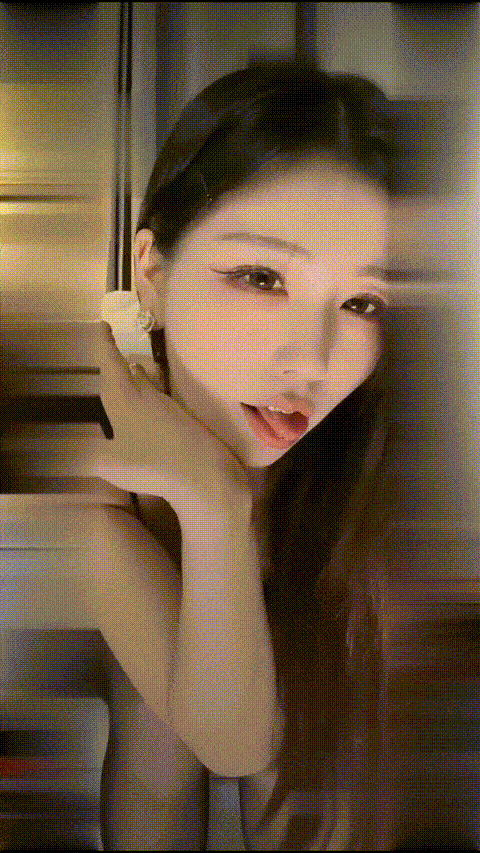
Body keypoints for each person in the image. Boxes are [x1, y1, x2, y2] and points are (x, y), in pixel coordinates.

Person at [83, 62, 402, 850]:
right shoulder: (87, 442)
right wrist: (211, 498)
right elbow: (229, 741)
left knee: (316, 728)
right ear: (152, 272)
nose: (311, 361)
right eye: (262, 277)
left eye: (360, 301)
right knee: (157, 723)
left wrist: (213, 498)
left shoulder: (377, 450)